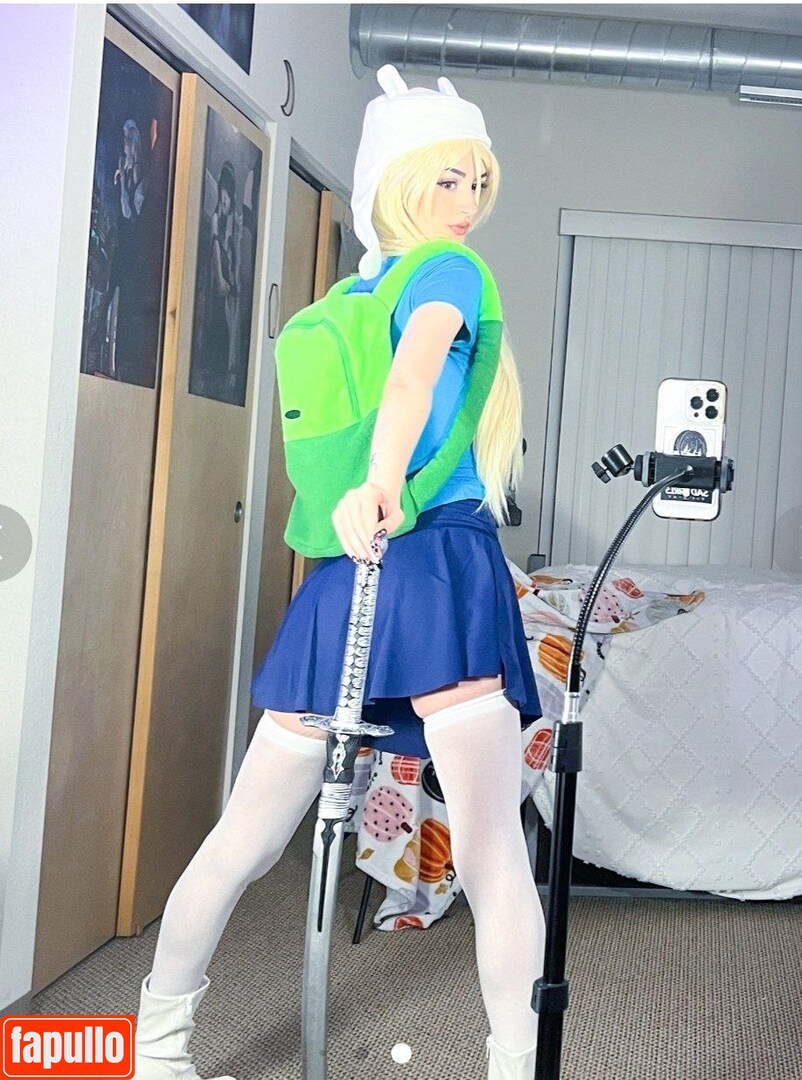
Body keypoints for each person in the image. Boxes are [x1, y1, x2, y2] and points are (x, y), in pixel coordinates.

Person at [134, 65, 546, 1080]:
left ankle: (154, 1047)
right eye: (445, 179)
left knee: (242, 840)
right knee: (494, 853)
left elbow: (391, 390)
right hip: (432, 564)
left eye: (476, 182)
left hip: (345, 574)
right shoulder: (448, 272)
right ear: (398, 181)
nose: (466, 202)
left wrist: (365, 491)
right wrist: (385, 481)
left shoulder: (348, 299)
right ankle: (515, 1066)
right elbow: (414, 378)